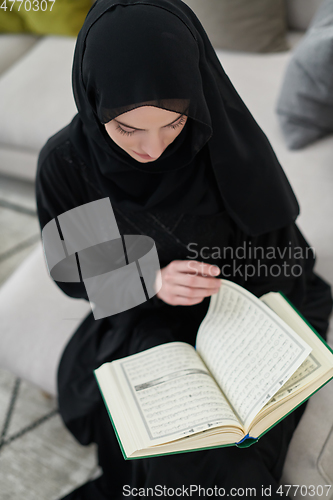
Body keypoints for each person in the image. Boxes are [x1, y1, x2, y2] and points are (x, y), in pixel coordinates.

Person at [36, 0, 332, 498]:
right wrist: (151, 280)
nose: (153, 148)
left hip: (244, 308)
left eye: (171, 121)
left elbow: (280, 255)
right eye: (128, 128)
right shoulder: (69, 164)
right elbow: (75, 275)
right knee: (183, 451)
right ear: (92, 99)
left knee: (233, 455)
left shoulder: (218, 141)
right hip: (142, 316)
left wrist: (233, 303)